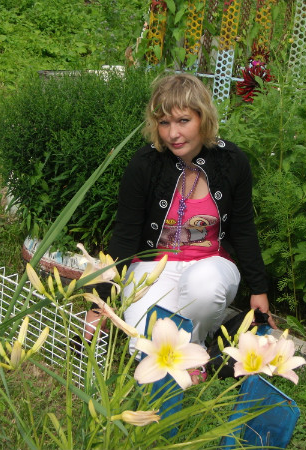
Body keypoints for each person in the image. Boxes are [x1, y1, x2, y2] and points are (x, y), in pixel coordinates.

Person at [108, 73, 276, 358]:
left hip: (210, 265)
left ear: (203, 118)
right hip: (152, 268)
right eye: (164, 122)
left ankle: (194, 346)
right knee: (144, 348)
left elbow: (243, 230)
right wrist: (101, 300)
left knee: (204, 287)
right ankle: (191, 354)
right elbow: (125, 234)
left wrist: (259, 290)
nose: (173, 134)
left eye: (183, 120)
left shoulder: (231, 161)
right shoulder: (144, 164)